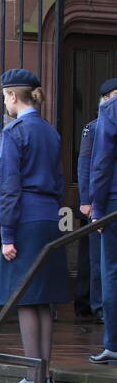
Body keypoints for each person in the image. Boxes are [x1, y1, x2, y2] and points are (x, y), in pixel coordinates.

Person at [0, 69, 69, 383]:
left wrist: (7, 234)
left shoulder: (14, 132)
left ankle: (32, 374)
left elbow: (8, 187)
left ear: (12, 95)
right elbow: (60, 180)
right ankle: (45, 374)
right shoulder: (50, 132)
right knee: (43, 300)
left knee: (25, 298)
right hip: (48, 217)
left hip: (24, 217)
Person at [78, 80, 116, 325]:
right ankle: (99, 305)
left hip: (108, 197)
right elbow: (88, 165)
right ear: (104, 99)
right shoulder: (93, 128)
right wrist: (86, 200)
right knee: (98, 259)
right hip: (100, 199)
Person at [87, 73, 117, 365]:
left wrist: (97, 205)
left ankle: (114, 343)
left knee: (111, 271)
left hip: (114, 202)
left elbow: (102, 161)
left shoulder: (111, 109)